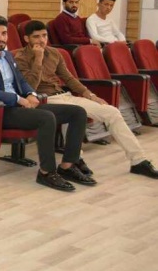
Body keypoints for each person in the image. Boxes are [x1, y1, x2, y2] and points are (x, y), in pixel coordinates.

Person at [15, 20, 158, 179]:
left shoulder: (54, 53)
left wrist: (90, 95)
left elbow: (69, 78)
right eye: (36, 37)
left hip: (64, 95)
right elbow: (30, 86)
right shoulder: (19, 57)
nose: (42, 40)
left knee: (112, 112)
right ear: (26, 39)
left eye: (44, 35)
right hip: (43, 99)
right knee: (74, 113)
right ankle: (75, 159)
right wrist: (38, 59)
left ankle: (138, 161)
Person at [0, 16, 94, 191]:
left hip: (20, 106)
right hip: (0, 111)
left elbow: (21, 80)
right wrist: (19, 99)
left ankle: (67, 166)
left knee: (77, 112)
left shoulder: (8, 56)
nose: (1, 38)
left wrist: (30, 93)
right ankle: (46, 172)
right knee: (46, 118)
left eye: (4, 33)